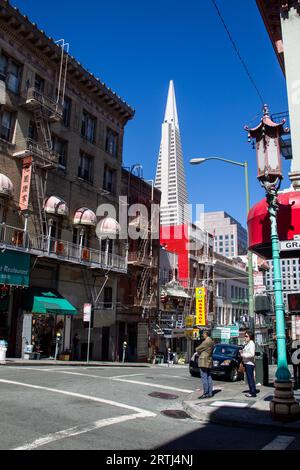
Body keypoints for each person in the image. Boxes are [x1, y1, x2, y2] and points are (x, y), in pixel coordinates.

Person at [196, 330, 214, 399]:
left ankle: (205, 393)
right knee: (209, 376)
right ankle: (210, 393)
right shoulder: (211, 341)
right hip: (209, 360)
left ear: (206, 334)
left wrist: (199, 350)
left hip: (204, 361)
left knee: (204, 377)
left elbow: (198, 348)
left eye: (203, 333)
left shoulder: (206, 341)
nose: (203, 335)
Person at [241, 331, 257, 398]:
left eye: (246, 336)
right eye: (245, 336)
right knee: (249, 378)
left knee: (250, 378)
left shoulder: (251, 343)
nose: (245, 337)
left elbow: (252, 354)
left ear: (250, 337)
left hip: (250, 363)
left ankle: (253, 392)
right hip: (247, 363)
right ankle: (251, 391)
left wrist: (243, 355)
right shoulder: (247, 344)